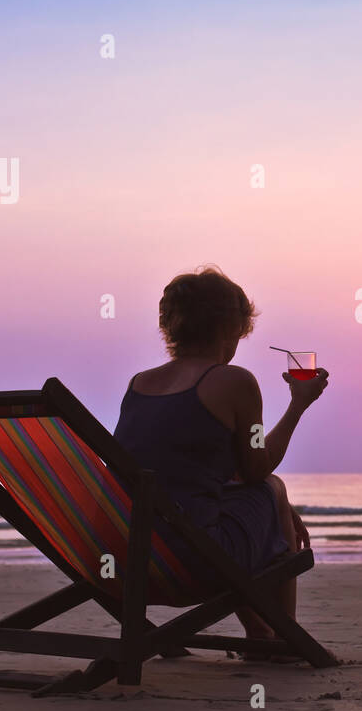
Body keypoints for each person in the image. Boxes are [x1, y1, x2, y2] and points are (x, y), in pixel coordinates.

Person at [113, 265, 328, 655]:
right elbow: (258, 466)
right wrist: (298, 405)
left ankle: (262, 631)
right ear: (232, 329)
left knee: (238, 501)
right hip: (192, 564)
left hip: (127, 560)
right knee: (271, 487)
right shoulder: (234, 382)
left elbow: (178, 470)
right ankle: (282, 637)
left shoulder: (139, 385)